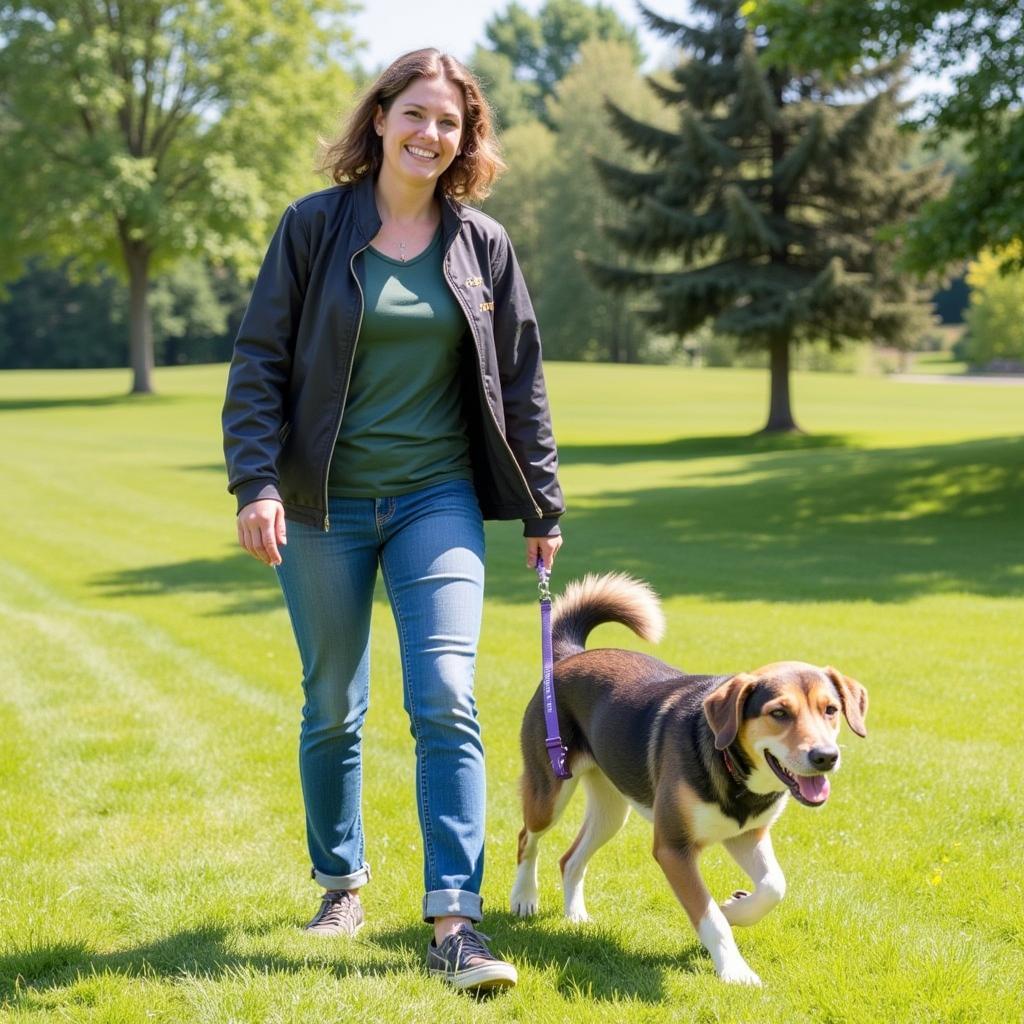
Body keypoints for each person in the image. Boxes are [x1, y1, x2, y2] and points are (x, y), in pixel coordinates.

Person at [221, 48, 564, 993]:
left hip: (437, 498)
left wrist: (542, 503)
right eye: (415, 113)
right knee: (333, 699)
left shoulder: (482, 246)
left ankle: (456, 920)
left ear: (466, 136)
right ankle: (341, 883)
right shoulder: (311, 230)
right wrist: (256, 483)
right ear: (379, 118)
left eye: (449, 121)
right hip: (321, 502)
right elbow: (258, 363)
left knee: (447, 693)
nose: (430, 134)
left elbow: (522, 380)